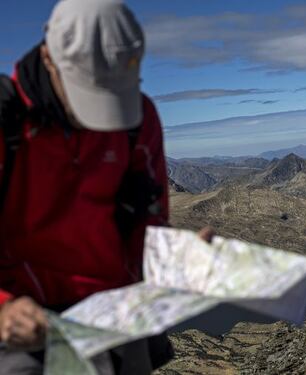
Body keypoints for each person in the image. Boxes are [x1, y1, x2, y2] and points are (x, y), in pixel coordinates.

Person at [0, 0, 211, 373]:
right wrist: (3, 307)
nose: (103, 118)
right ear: (49, 58)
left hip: (114, 317)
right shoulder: (7, 120)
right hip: (25, 326)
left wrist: (173, 257)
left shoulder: (139, 117)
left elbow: (149, 214)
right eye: (90, 93)